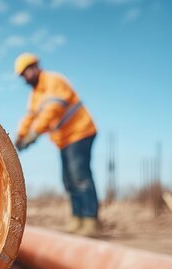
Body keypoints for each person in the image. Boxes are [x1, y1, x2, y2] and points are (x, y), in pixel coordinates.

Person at [13, 53, 99, 236]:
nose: (25, 78)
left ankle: (90, 220)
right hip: (64, 139)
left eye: (26, 72)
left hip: (80, 132)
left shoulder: (53, 81)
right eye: (23, 75)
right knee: (68, 180)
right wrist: (19, 137)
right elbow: (30, 116)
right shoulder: (35, 95)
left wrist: (35, 133)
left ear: (35, 67)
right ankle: (77, 219)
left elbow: (53, 109)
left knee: (80, 177)